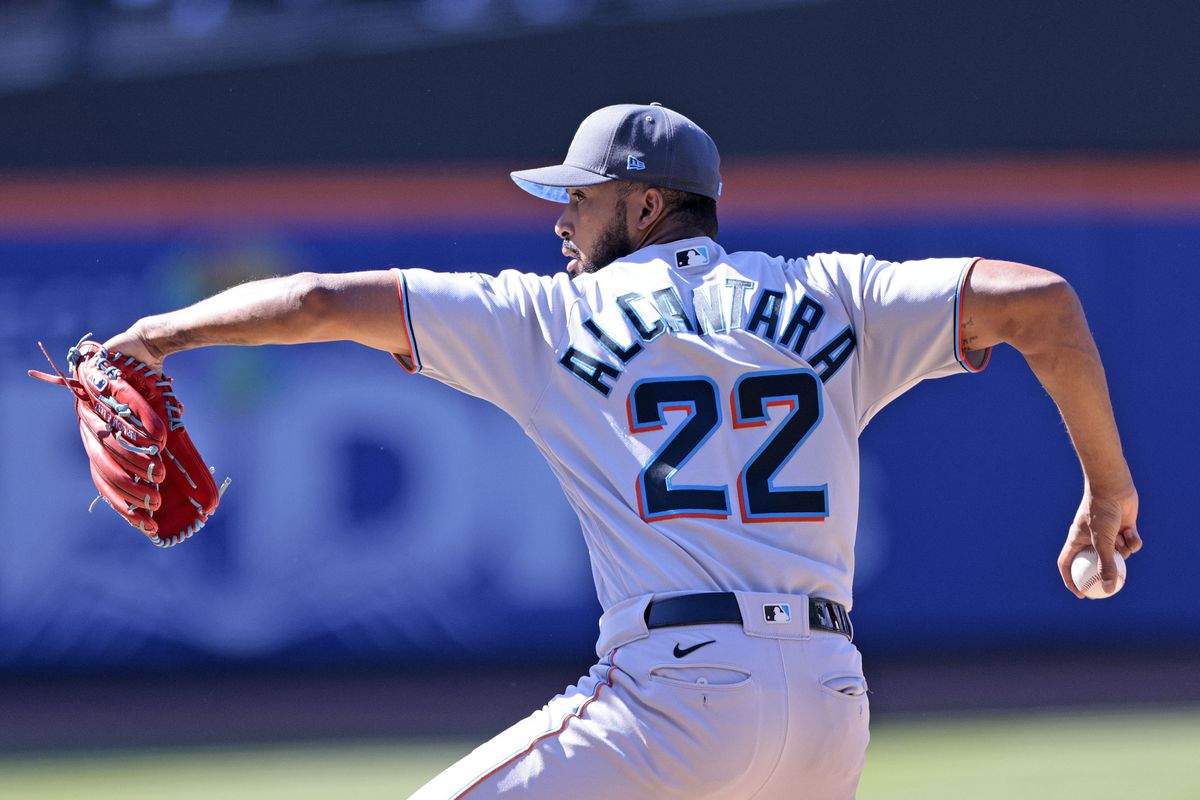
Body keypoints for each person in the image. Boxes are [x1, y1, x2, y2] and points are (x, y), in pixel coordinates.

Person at [102, 103, 1141, 799]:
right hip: (831, 703)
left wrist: (162, 334)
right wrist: (1106, 485)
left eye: (581, 196)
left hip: (673, 693)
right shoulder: (833, 291)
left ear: (645, 205)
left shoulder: (546, 317)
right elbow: (1040, 300)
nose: (561, 217)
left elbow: (321, 301)